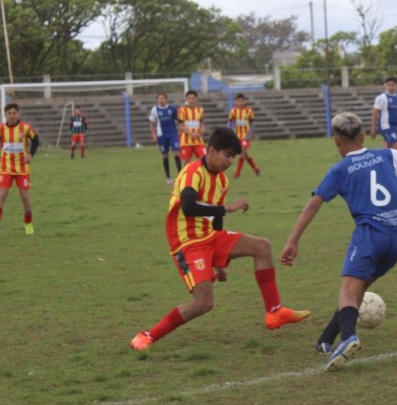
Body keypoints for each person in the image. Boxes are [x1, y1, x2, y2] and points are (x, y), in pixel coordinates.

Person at [280, 112, 397, 371]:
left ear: (336, 142)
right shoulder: (385, 154)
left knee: (347, 290)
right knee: (359, 286)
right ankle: (326, 339)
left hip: (371, 235)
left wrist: (292, 241)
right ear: (363, 136)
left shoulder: (339, 170)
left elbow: (314, 203)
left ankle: (348, 338)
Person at [129, 127, 310, 351]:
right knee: (204, 303)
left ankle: (274, 311)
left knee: (262, 247)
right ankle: (147, 336)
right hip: (187, 244)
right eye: (227, 155)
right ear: (211, 151)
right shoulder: (192, 172)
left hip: (210, 237)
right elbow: (188, 206)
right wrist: (227, 208)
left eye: (233, 156)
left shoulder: (222, 181)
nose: (230, 161)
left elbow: (215, 219)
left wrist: (220, 263)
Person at [0, 103, 40, 236]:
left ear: (18, 114)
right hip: (5, 167)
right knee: (2, 194)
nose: (12, 115)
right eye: (9, 113)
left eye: (14, 113)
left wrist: (30, 155)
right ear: (5, 115)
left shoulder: (25, 128)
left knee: (24, 196)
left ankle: (28, 224)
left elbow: (36, 140)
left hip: (22, 167)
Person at [370, 77, 397, 150]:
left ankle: (382, 160)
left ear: (396, 86)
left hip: (394, 127)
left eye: (392, 85)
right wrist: (373, 128)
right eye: (388, 85)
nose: (390, 87)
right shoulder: (382, 97)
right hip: (386, 127)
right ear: (385, 86)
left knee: (388, 148)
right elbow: (375, 113)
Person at [148, 92, 182, 184]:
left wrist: (180, 131)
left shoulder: (172, 109)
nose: (161, 100)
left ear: (166, 99)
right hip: (161, 135)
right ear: (157, 100)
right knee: (165, 155)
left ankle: (180, 176)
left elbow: (178, 120)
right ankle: (168, 177)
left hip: (173, 134)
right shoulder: (155, 110)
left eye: (163, 98)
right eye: (159, 99)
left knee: (176, 153)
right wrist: (153, 134)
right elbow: (151, 123)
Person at [228, 93, 260, 178]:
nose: (241, 102)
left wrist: (251, 133)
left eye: (242, 101)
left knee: (242, 152)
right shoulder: (233, 111)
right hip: (237, 136)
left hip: (246, 137)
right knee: (245, 154)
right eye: (239, 101)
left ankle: (237, 172)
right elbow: (230, 123)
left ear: (244, 101)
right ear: (236, 102)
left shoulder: (249, 111)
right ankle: (255, 168)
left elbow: (253, 123)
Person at [178, 90, 206, 163]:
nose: (191, 100)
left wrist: (202, 129)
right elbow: (181, 126)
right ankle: (184, 174)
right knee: (186, 163)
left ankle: (200, 174)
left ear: (196, 99)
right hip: (185, 141)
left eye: (193, 98)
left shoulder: (200, 110)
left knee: (204, 160)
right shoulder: (182, 110)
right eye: (189, 98)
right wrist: (192, 134)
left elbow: (201, 122)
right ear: (186, 99)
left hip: (198, 140)